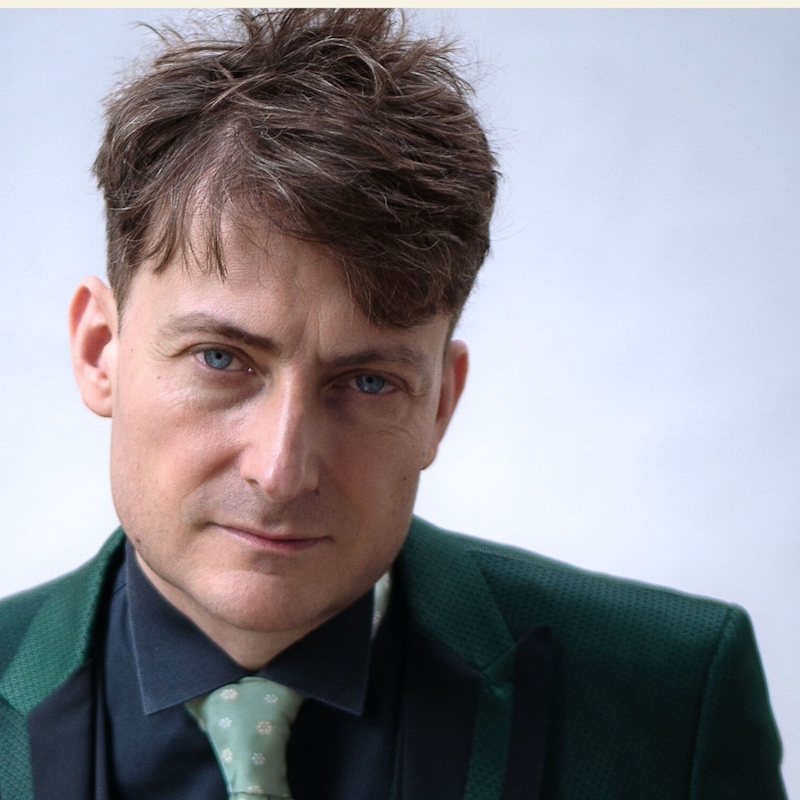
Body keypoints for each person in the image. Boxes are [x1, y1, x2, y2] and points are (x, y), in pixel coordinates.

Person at [0, 9, 786, 799]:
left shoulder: (672, 701)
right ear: (99, 351)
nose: (281, 471)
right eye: (221, 359)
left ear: (440, 403)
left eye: (368, 381)